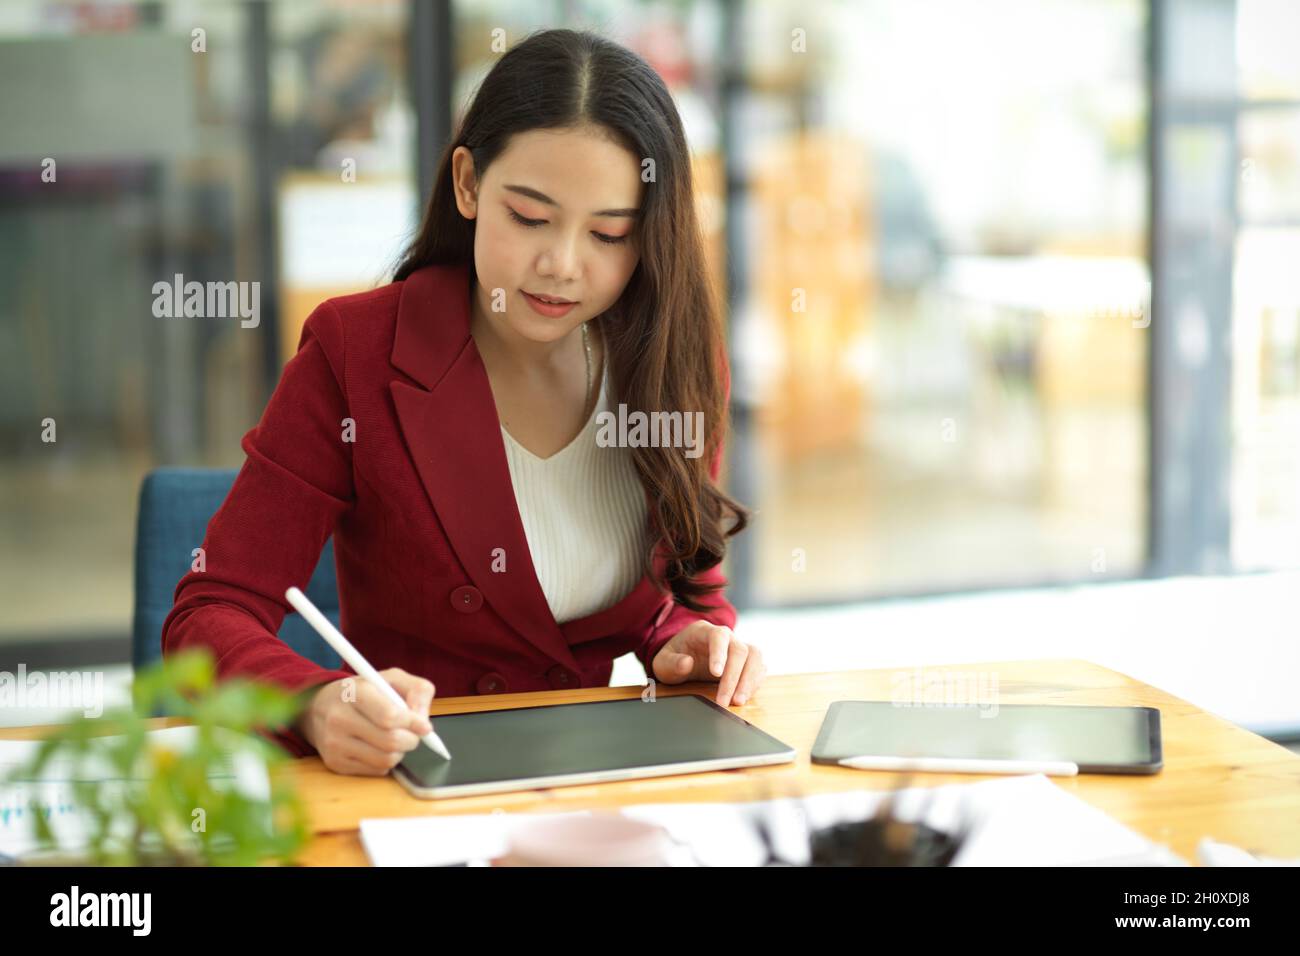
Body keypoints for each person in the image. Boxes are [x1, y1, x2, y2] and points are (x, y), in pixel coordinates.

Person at [162, 28, 761, 777]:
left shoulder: (674, 361)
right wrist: (312, 703)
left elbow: (691, 590)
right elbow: (206, 613)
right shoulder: (355, 353)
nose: (562, 265)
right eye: (531, 217)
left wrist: (686, 640)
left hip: (599, 780)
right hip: (416, 783)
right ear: (469, 184)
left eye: (610, 233)